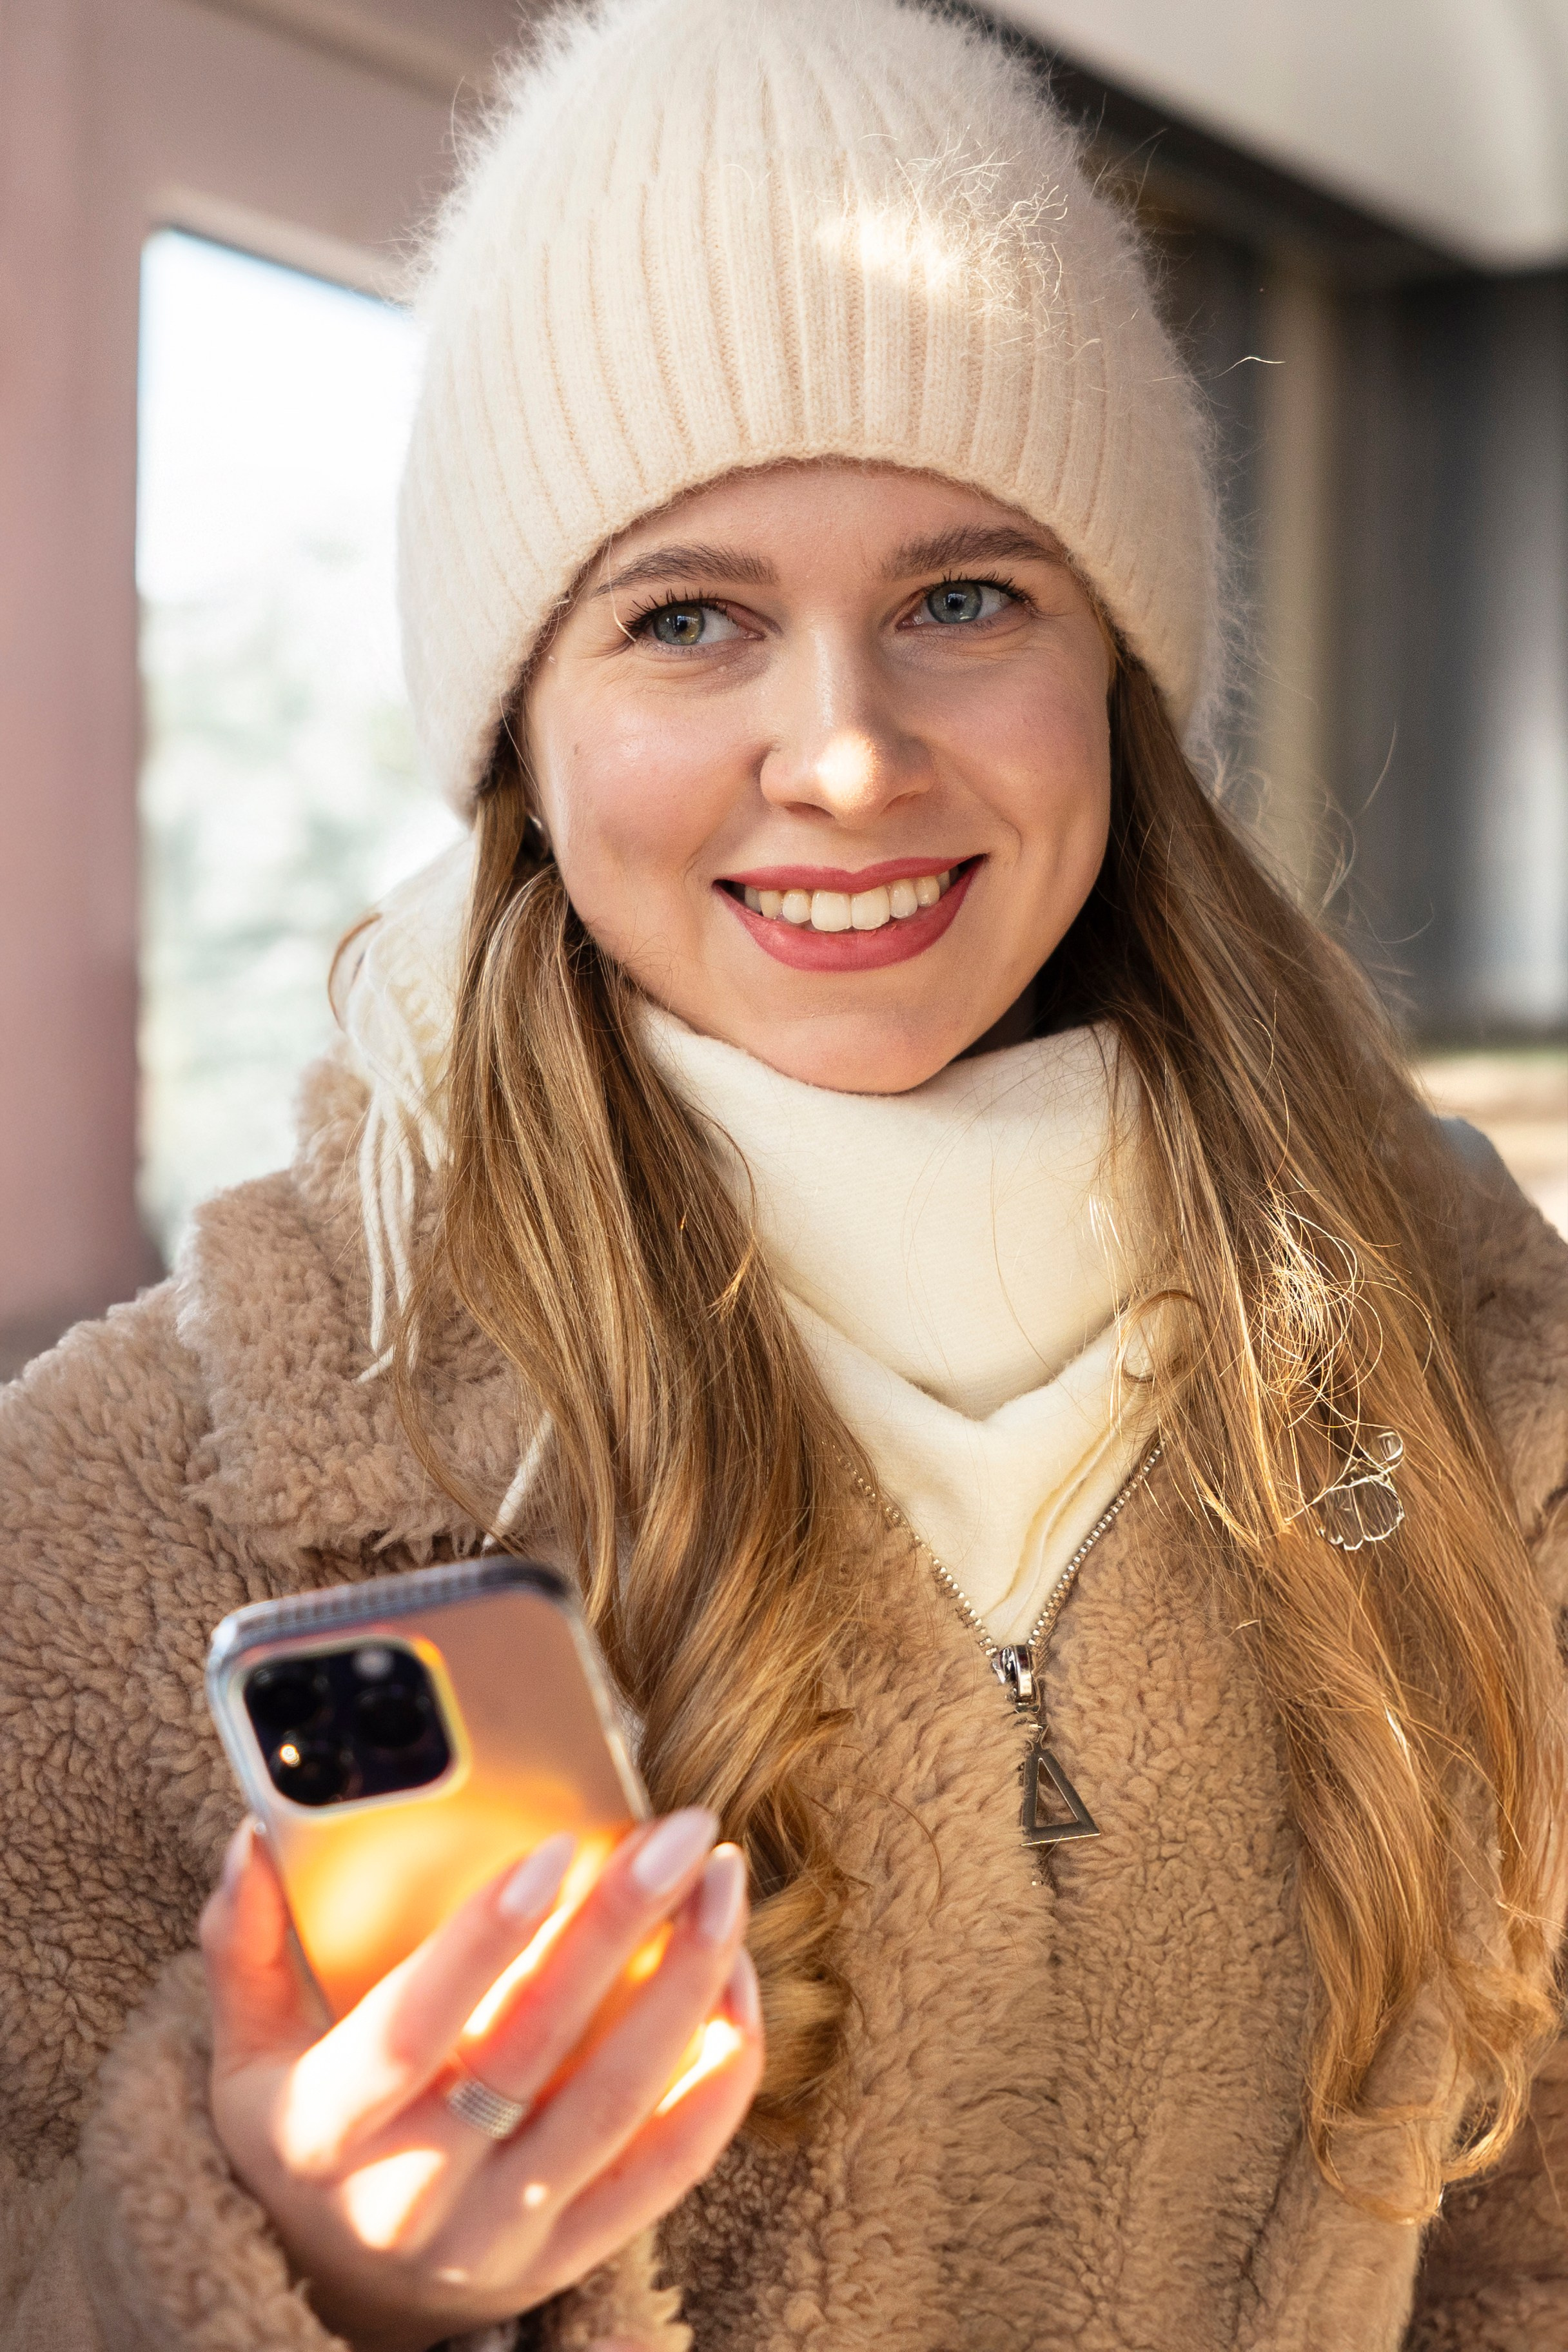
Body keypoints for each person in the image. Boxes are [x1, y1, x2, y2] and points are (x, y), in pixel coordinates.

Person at [2, 0, 1566, 2344]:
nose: (840, 755)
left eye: (964, 599)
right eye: (686, 617)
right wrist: (288, 2265)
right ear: (521, 729)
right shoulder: (125, 1501)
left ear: (1120, 677)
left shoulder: (1489, 1393)